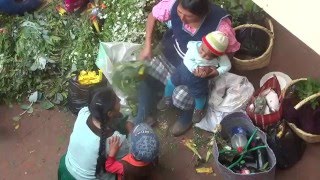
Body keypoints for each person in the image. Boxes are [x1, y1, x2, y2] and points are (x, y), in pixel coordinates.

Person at [136, 0, 240, 136]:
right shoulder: (173, 4)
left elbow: (229, 52)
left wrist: (215, 71)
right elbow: (152, 16)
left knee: (180, 97)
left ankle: (190, 113)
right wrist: (147, 46)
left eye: (188, 16)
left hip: (196, 69)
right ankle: (143, 113)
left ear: (204, 13)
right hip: (172, 52)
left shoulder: (220, 26)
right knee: (146, 71)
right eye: (179, 12)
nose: (182, 18)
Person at [58, 86, 132, 180]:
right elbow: (129, 156)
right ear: (109, 113)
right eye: (117, 100)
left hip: (68, 167)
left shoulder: (83, 113)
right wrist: (131, 133)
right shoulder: (116, 139)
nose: (119, 100)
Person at [157, 31, 231, 123]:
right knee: (170, 82)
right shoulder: (194, 46)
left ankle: (198, 110)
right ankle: (167, 97)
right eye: (202, 49)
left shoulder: (221, 57)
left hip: (199, 79)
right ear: (202, 42)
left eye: (209, 56)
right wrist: (195, 68)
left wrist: (216, 72)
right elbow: (187, 59)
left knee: (199, 95)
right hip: (183, 71)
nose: (203, 55)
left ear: (218, 56)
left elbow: (227, 65)